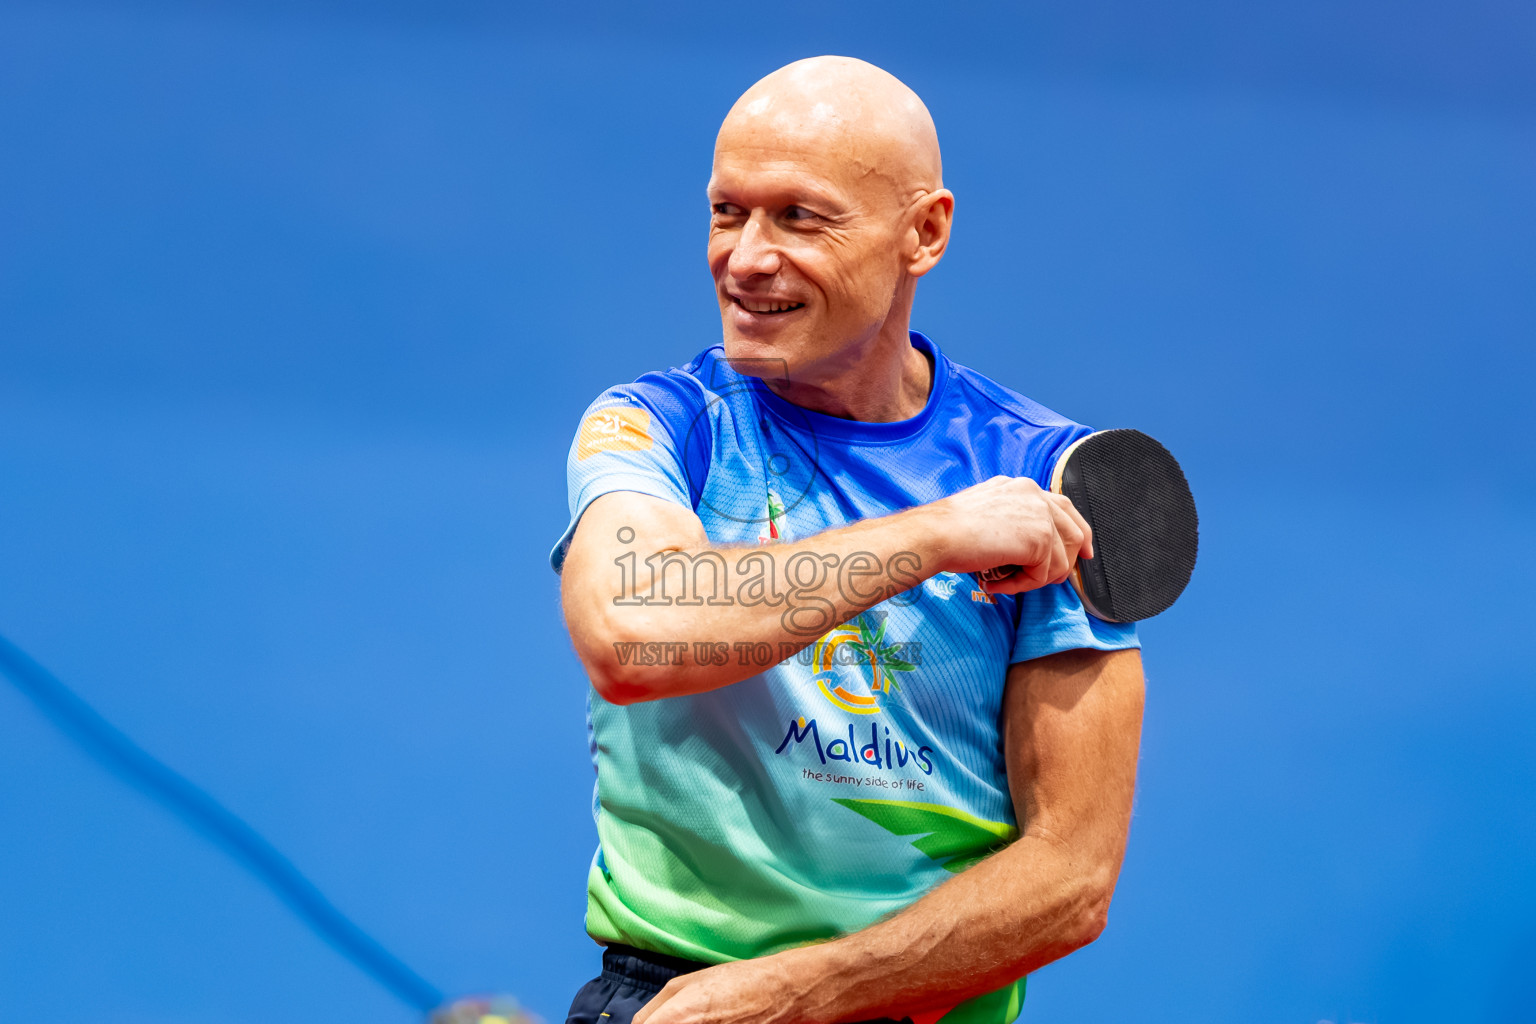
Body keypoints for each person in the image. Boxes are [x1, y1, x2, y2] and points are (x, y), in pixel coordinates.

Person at [549, 56, 1145, 1024]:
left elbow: (1071, 873)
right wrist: (936, 534)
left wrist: (791, 995)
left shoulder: (1050, 477)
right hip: (671, 992)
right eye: (727, 211)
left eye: (800, 216)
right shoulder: (661, 424)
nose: (745, 257)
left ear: (926, 232)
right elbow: (633, 638)